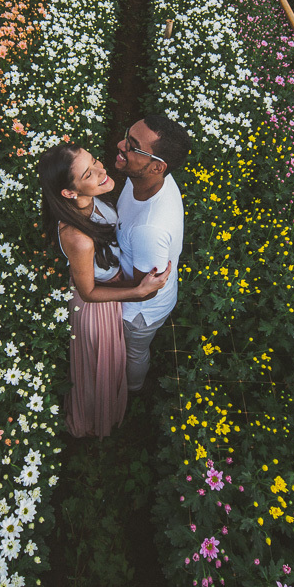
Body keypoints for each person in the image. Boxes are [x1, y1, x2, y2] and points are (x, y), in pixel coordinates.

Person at [39, 143, 170, 438]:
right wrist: (138, 291)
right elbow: (87, 292)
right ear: (70, 192)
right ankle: (96, 421)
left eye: (96, 160)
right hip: (97, 307)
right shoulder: (78, 238)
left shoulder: (91, 200)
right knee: (102, 366)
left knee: (113, 360)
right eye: (89, 173)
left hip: (112, 285)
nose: (102, 171)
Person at [112, 115, 191, 393]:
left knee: (134, 352)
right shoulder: (147, 181)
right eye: (126, 135)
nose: (120, 145)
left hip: (138, 313)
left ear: (157, 167)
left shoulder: (150, 228)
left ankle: (132, 389)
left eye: (133, 146)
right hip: (138, 277)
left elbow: (146, 290)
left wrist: (95, 287)